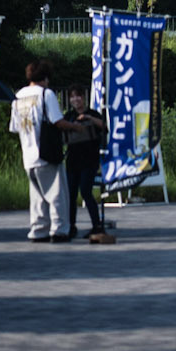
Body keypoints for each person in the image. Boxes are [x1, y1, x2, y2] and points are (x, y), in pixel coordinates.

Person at [11, 58, 68, 241]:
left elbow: (14, 127)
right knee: (56, 193)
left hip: (28, 155)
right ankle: (59, 230)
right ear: (45, 77)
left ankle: (38, 230)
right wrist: (77, 127)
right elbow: (57, 121)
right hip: (46, 153)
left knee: (37, 197)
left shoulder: (18, 96)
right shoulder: (46, 94)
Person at [60, 87, 113, 242]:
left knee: (86, 191)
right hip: (72, 159)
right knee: (70, 194)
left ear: (84, 98)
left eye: (78, 96)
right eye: (72, 97)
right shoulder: (68, 116)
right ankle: (71, 226)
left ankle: (97, 225)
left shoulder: (93, 113)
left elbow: (104, 127)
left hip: (89, 159)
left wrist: (88, 118)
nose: (75, 100)